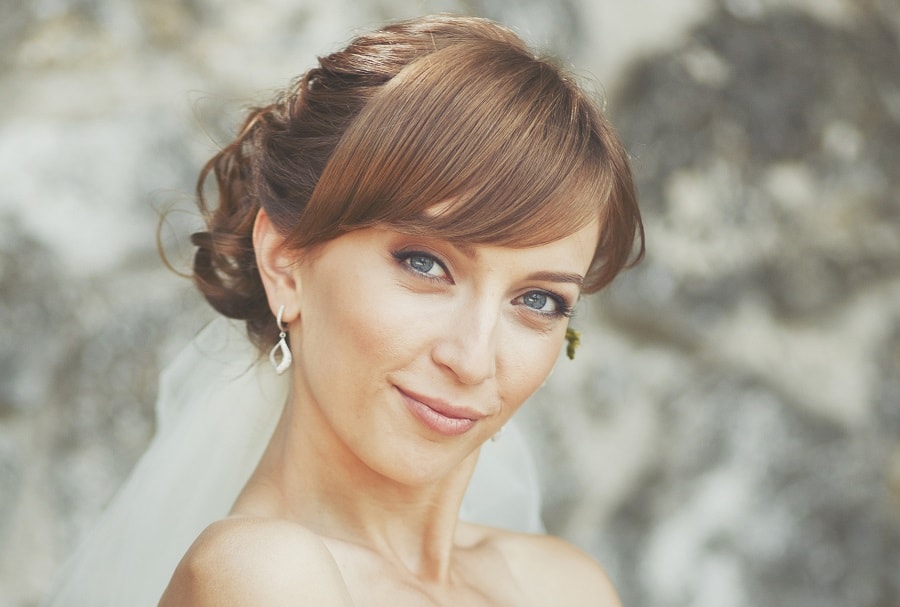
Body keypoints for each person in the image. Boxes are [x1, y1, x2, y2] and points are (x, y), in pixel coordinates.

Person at [46, 14, 643, 606]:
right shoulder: (261, 574)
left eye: (538, 300)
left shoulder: (566, 585)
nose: (473, 359)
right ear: (284, 263)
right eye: (424, 264)